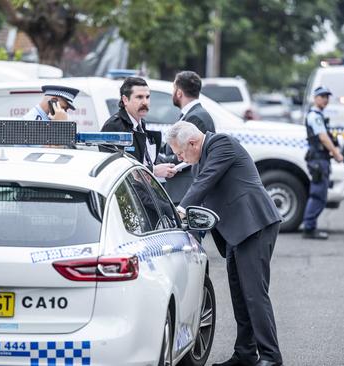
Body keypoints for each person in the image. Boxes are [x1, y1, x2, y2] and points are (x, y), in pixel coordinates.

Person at [167, 121, 283, 366]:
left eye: (180, 153)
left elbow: (205, 183)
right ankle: (245, 354)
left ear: (192, 142)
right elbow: (203, 191)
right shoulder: (200, 158)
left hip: (255, 225)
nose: (180, 158)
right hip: (235, 233)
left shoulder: (221, 143)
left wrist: (181, 210)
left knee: (254, 294)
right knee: (240, 296)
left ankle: (271, 356)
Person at [101, 77, 177, 179]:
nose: (145, 102)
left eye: (147, 97)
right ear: (125, 100)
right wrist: (153, 171)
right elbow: (115, 170)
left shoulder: (140, 123)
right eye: (139, 97)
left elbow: (145, 158)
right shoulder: (114, 126)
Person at [165, 70, 216, 203]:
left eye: (174, 89)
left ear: (179, 92)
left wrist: (162, 160)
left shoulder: (195, 117)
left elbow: (191, 153)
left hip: (185, 188)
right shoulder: (192, 114)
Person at [301, 86, 344, 240]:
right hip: (318, 159)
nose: (325, 99)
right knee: (318, 194)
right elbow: (323, 138)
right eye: (322, 96)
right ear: (315, 98)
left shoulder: (319, 115)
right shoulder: (315, 116)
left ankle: (310, 226)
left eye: (327, 96)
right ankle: (309, 228)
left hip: (320, 159)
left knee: (319, 193)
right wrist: (336, 153)